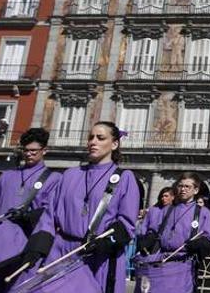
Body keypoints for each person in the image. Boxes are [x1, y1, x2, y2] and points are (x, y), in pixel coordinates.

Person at [18, 121, 140, 293]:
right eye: (90, 137)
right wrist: (36, 248)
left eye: (100, 138)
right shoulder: (69, 174)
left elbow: (126, 223)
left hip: (99, 258)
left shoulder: (125, 178)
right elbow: (49, 216)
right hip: (61, 253)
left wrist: (105, 243)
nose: (93, 142)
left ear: (114, 144)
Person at [0, 128, 62, 292]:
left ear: (44, 150)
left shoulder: (54, 179)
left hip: (23, 242)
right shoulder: (7, 175)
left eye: (34, 150)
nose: (29, 154)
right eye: (25, 150)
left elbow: (50, 212)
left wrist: (29, 216)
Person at [135, 172, 210, 293]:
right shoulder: (167, 209)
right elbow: (154, 230)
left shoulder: (203, 213)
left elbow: (209, 239)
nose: (183, 189)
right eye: (180, 186)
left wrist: (199, 243)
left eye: (187, 187)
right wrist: (148, 239)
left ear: (196, 190)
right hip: (161, 261)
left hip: (183, 264)